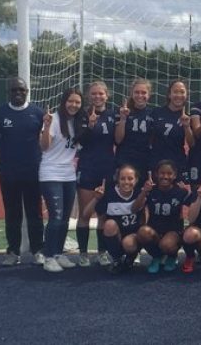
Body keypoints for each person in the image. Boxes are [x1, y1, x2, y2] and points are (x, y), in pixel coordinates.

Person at [0, 77, 46, 266]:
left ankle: (38, 250)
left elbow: (46, 143)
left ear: (27, 91)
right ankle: (13, 251)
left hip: (33, 172)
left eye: (21, 90)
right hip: (9, 173)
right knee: (12, 213)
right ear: (8, 93)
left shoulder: (38, 113)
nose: (18, 93)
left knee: (35, 213)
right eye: (14, 90)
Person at [39, 88, 83, 273]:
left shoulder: (78, 122)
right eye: (70, 101)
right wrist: (47, 126)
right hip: (50, 173)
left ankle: (58, 253)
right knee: (56, 217)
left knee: (65, 218)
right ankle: (48, 256)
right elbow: (44, 147)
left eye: (77, 102)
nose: (73, 105)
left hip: (68, 174)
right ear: (64, 101)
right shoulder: (54, 119)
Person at [75, 81, 117, 267]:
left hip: (106, 169)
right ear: (88, 96)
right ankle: (83, 253)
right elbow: (78, 141)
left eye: (101, 94)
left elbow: (119, 139)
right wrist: (90, 126)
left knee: (103, 214)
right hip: (87, 167)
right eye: (94, 94)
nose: (97, 97)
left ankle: (101, 251)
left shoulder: (114, 114)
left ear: (107, 95)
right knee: (85, 213)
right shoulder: (81, 115)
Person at [82, 164, 144, 274]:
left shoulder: (140, 193)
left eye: (130, 179)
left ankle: (130, 258)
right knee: (109, 224)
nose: (126, 182)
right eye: (122, 179)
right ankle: (117, 259)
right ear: (117, 180)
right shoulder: (109, 194)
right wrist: (96, 199)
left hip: (133, 237)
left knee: (129, 243)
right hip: (115, 235)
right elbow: (85, 215)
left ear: (136, 180)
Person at [134, 160, 190, 273]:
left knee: (166, 244)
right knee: (142, 232)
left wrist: (189, 192)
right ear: (156, 174)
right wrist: (144, 192)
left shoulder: (180, 192)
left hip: (173, 231)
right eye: (162, 173)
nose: (165, 176)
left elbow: (193, 205)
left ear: (175, 175)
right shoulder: (151, 191)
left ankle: (172, 256)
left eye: (169, 174)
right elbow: (135, 208)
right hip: (154, 230)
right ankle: (157, 257)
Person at [150, 80, 194, 181]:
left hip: (177, 162)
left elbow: (191, 144)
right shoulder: (156, 113)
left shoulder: (187, 116)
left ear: (186, 95)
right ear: (169, 94)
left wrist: (187, 126)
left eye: (182, 92)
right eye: (175, 91)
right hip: (157, 162)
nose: (178, 95)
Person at [115, 78, 154, 187]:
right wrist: (123, 119)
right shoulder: (122, 111)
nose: (140, 95)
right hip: (125, 160)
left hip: (144, 162)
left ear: (149, 95)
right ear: (131, 94)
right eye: (137, 92)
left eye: (143, 92)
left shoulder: (153, 114)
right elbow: (118, 140)